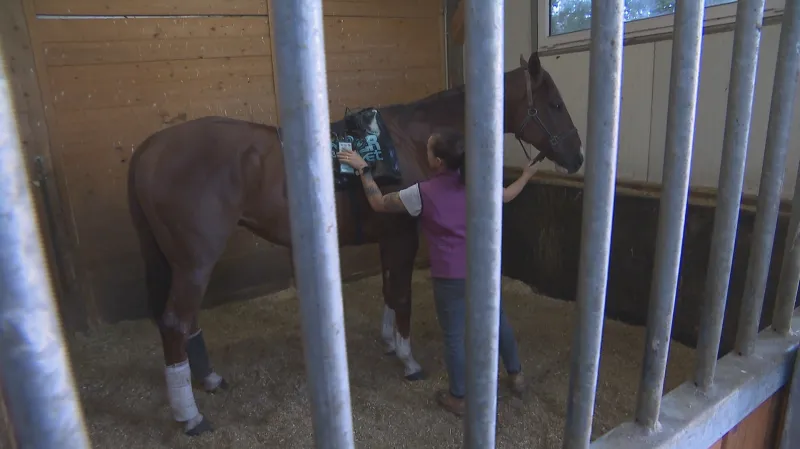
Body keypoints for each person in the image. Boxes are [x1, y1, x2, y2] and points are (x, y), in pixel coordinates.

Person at [336, 130, 538, 416]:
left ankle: (459, 397)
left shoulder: (422, 192)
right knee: (498, 320)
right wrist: (526, 175)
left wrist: (363, 169)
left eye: (429, 150)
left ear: (438, 161)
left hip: (450, 275)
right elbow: (506, 196)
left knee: (454, 335)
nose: (426, 153)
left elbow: (378, 203)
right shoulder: (480, 181)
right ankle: (516, 375)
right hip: (483, 270)